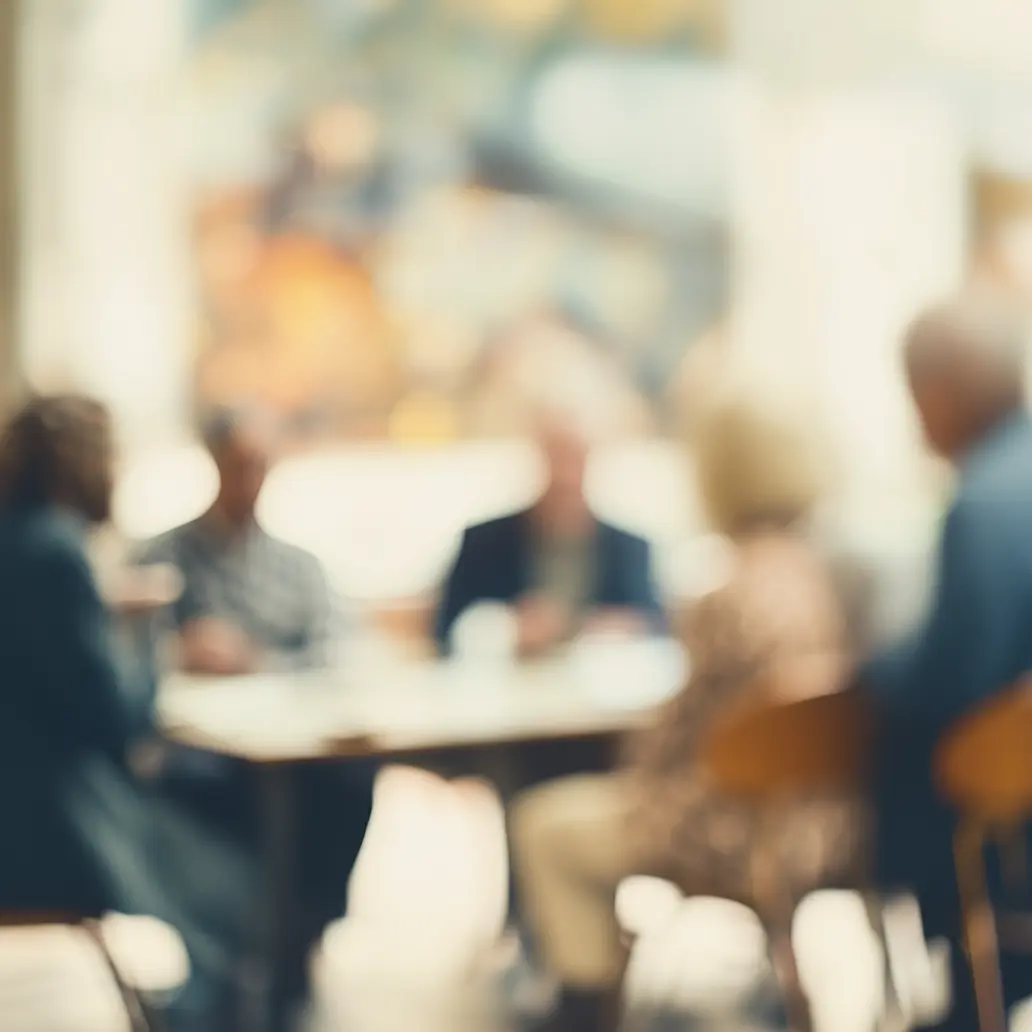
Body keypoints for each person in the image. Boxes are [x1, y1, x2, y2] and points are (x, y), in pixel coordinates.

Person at [509, 378, 862, 1032]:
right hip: (821, 821)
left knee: (545, 824)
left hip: (740, 831)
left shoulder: (727, 595)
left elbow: (665, 749)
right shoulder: (817, 577)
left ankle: (585, 1008)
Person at [0, 394, 256, 1032]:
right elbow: (114, 720)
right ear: (82, 464)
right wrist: (146, 638)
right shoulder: (57, 555)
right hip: (53, 829)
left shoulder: (16, 541)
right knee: (233, 899)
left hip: (26, 808)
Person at [135, 404, 373, 1017]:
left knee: (351, 781)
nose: (252, 478)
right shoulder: (160, 561)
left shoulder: (298, 568)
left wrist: (258, 660)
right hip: (200, 750)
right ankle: (242, 950)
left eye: (262, 465)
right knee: (219, 800)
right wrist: (176, 651)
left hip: (290, 743)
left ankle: (300, 933)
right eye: (241, 464)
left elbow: (333, 656)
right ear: (215, 463)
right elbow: (126, 660)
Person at [862, 293, 1032, 1031]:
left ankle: (971, 983)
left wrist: (877, 667)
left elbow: (953, 675)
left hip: (1002, 798)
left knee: (897, 755)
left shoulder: (982, 501)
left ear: (941, 392)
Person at [435, 410, 664, 656]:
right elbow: (444, 629)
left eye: (575, 459)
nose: (566, 474)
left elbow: (657, 624)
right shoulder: (483, 541)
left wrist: (618, 628)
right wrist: (506, 628)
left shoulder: (629, 547)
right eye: (559, 458)